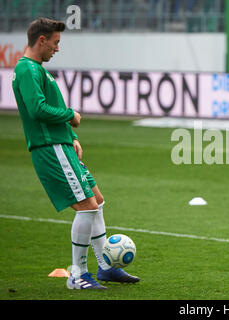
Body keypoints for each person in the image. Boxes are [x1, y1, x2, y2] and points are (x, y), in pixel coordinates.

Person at [12, 18, 140, 290]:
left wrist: (71, 137)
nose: (57, 49)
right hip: (50, 149)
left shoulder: (38, 70)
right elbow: (37, 109)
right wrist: (71, 115)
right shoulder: (27, 69)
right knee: (86, 207)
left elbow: (48, 107)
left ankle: (105, 268)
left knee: (97, 200)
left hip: (62, 145)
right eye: (55, 42)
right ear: (42, 40)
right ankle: (77, 275)